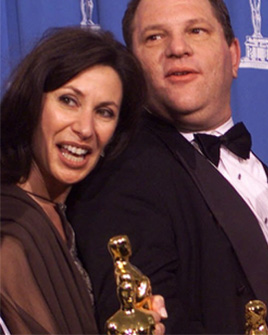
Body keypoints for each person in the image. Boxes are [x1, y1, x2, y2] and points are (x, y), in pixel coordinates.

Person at [67, 0, 268, 334]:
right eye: (155, 37)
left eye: (196, 31)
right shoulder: (121, 175)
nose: (177, 48)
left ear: (234, 56)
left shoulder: (258, 168)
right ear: (131, 68)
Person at [0, 27, 166, 334]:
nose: (85, 128)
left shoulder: (78, 217)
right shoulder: (11, 231)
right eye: (69, 101)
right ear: (32, 103)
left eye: (104, 112)